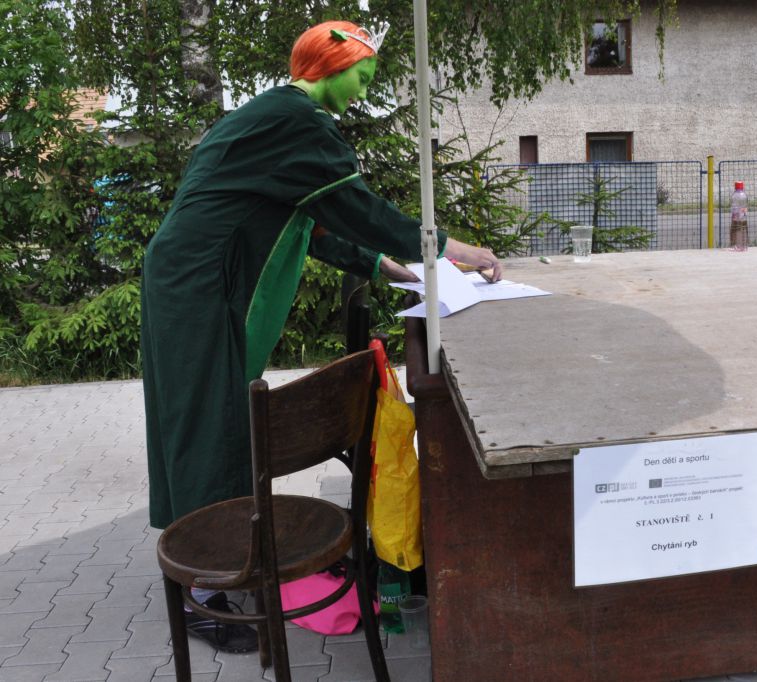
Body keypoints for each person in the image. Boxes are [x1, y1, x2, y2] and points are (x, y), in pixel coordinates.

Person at [141, 19, 501, 652]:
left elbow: (317, 224)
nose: (366, 88)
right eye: (363, 74)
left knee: (208, 418)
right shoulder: (298, 121)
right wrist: (453, 250)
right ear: (331, 69)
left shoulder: (279, 118)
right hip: (198, 286)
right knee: (207, 424)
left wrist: (383, 265)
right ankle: (202, 590)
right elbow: (357, 209)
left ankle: (219, 555)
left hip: (194, 279)